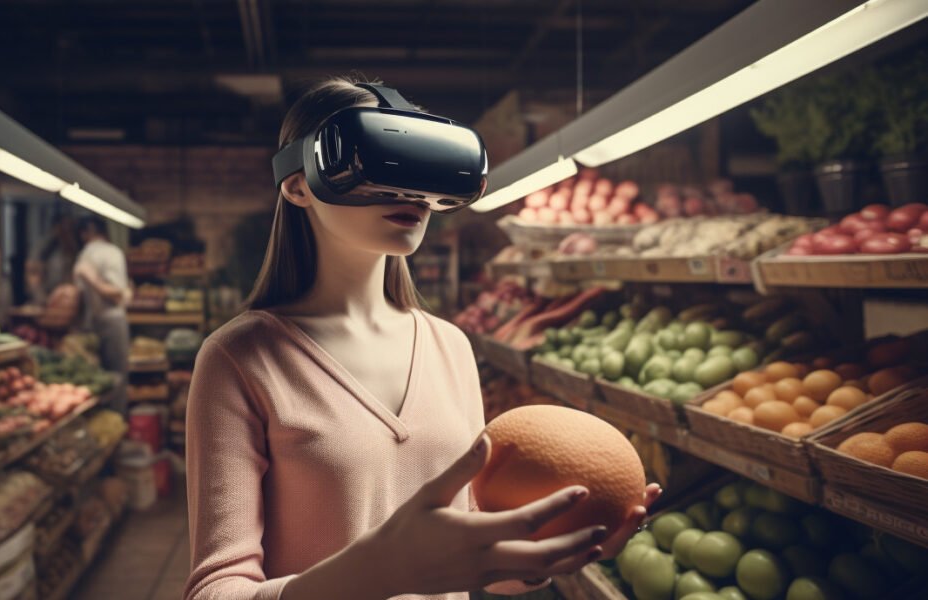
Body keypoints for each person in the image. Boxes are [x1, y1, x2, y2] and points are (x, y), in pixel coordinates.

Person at [184, 77, 661, 600]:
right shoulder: (240, 358)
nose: (412, 194)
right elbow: (216, 590)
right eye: (383, 163)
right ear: (298, 186)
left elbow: (467, 553)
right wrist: (379, 573)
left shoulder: (450, 346)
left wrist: (551, 547)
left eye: (425, 170)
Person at [73, 215, 132, 412]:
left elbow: (116, 294)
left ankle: (113, 424)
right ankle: (115, 424)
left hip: (99, 322)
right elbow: (119, 293)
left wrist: (92, 279)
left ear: (85, 233)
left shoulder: (89, 255)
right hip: (105, 322)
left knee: (105, 378)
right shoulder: (111, 253)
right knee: (113, 377)